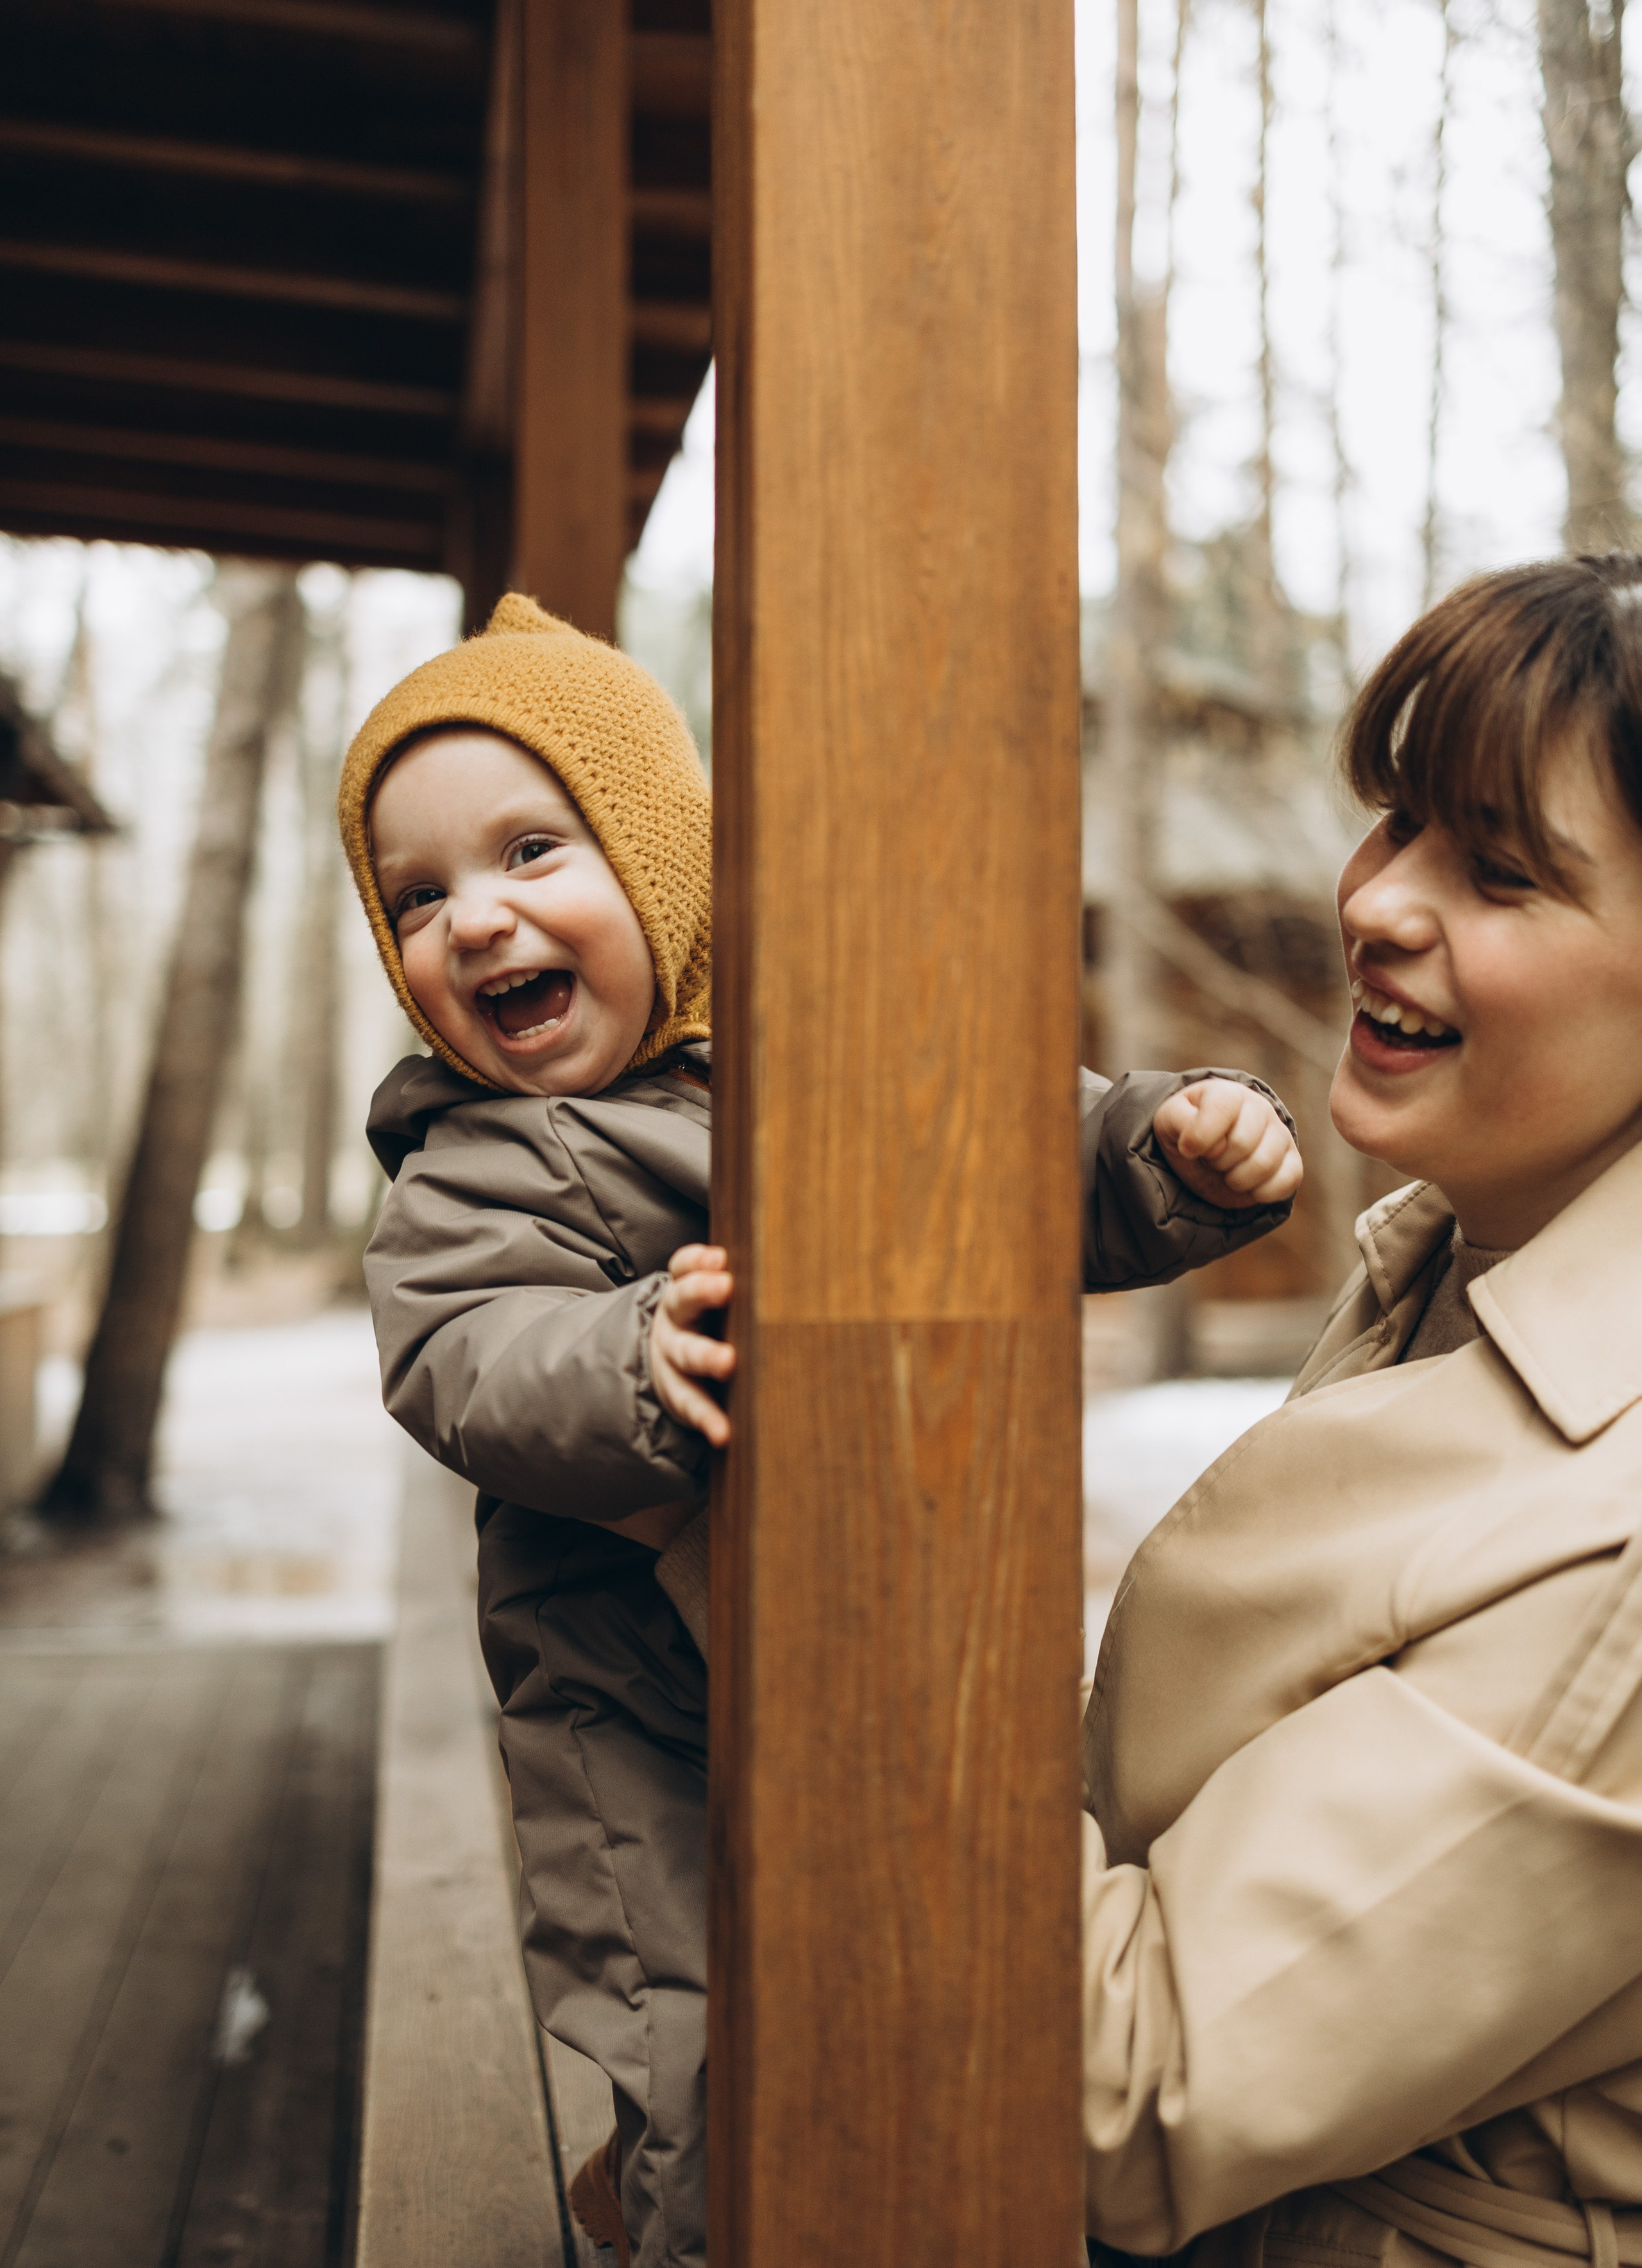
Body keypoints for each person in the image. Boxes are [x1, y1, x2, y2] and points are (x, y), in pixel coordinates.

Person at [337, 593, 1303, 2268]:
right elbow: (466, 1359)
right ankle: (676, 2223)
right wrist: (633, 1358)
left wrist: (1166, 1147)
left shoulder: (811, 1048)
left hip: (877, 1656)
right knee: (699, 2056)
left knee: (934, 2008)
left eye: (530, 853)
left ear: (659, 861)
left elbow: (1012, 1139)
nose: (476, 921)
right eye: (419, 897)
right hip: (635, 1715)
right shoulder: (475, 1165)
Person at [1081, 552, 1642, 2268]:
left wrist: (843, 1633)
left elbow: (1141, 2086)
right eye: (1394, 819)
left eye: (1493, 869)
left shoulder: (1622, 1529)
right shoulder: (1460, 1266)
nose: (1379, 901)